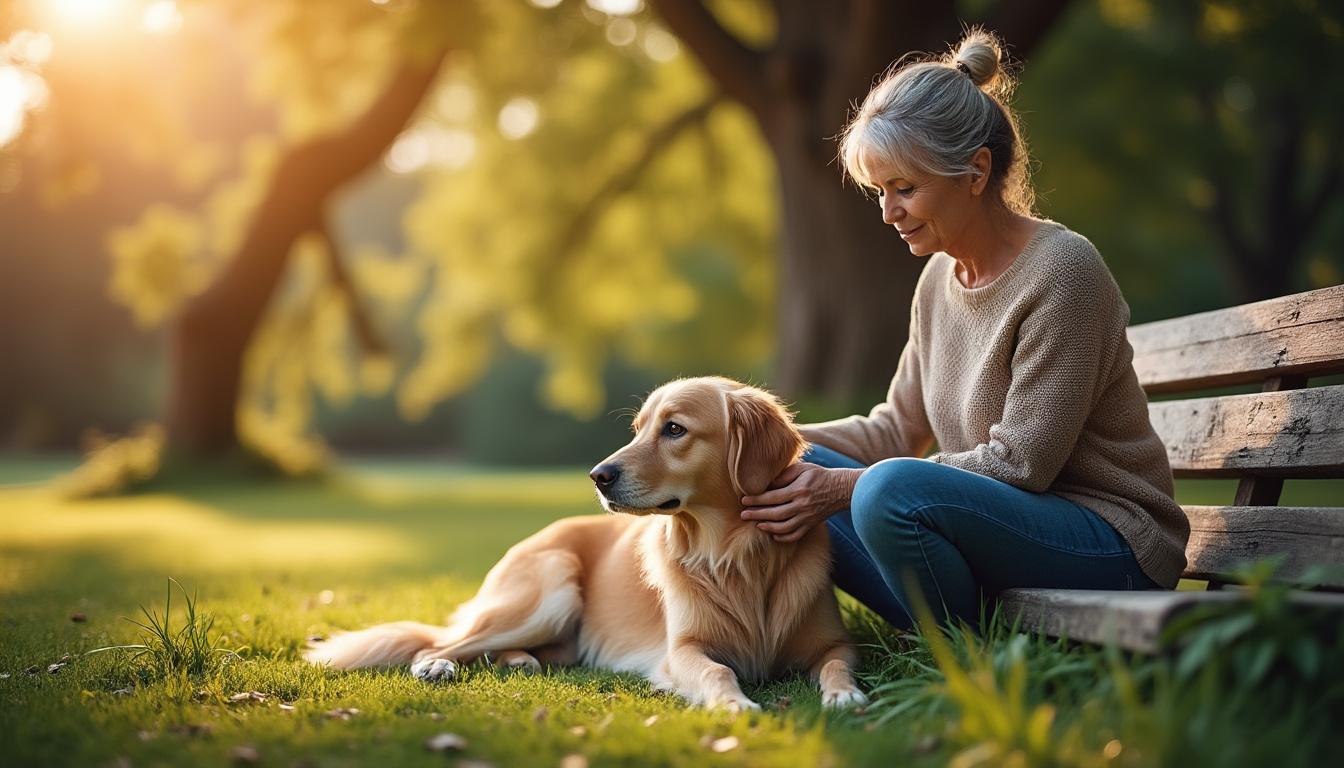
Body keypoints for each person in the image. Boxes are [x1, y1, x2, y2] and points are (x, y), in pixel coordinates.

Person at [739, 29, 1190, 629]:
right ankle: (959, 632)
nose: (888, 212)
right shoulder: (937, 280)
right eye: (880, 191)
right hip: (1004, 532)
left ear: (976, 172)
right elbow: (896, 429)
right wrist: (738, 442)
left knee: (882, 491)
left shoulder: (1063, 272)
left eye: (906, 189)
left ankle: (963, 645)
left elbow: (1020, 462)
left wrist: (845, 488)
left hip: (1110, 544)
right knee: (786, 465)